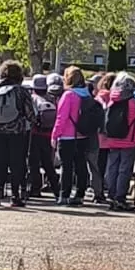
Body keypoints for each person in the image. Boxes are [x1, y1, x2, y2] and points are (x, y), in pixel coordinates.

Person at [0, 61, 36, 208]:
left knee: (0, 163)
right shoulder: (21, 91)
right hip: (17, 131)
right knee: (17, 163)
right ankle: (15, 196)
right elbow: (30, 113)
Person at [52, 66, 100, 206]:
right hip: (83, 135)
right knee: (81, 166)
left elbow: (61, 118)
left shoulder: (68, 95)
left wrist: (55, 135)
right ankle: (80, 195)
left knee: (67, 167)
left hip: (67, 137)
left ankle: (64, 195)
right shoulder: (87, 95)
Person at [101, 73, 135, 211]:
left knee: (112, 167)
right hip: (130, 140)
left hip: (112, 139)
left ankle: (111, 195)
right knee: (124, 169)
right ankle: (120, 198)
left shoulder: (112, 100)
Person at [26, 75, 60, 198]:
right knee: (48, 163)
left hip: (35, 134)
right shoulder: (52, 99)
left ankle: (35, 188)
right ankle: (56, 189)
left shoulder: (32, 98)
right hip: (48, 134)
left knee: (33, 162)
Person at [89, 73, 116, 203]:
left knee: (97, 166)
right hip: (113, 137)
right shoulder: (117, 97)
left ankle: (98, 193)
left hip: (98, 136)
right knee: (109, 165)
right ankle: (110, 189)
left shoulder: (99, 97)